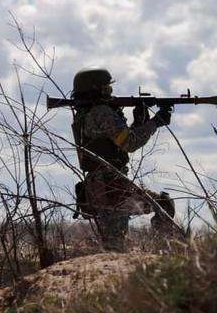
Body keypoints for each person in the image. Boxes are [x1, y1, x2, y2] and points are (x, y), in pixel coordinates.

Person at [71, 66, 177, 250]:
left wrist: (139, 122)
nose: (110, 92)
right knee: (116, 244)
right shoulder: (101, 113)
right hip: (111, 187)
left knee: (115, 242)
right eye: (107, 88)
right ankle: (162, 249)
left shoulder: (88, 114)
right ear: (98, 89)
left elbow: (121, 143)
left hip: (103, 185)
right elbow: (130, 143)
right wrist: (155, 122)